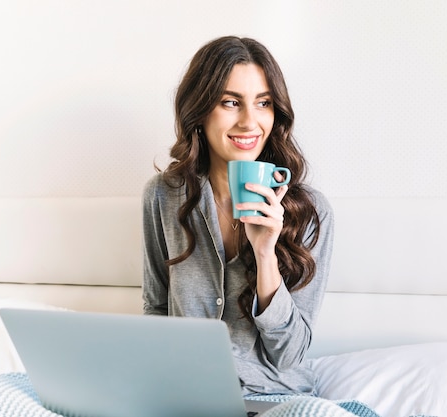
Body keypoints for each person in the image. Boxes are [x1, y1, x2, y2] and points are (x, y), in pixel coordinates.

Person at [142, 36, 335, 397]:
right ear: (198, 111)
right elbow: (156, 308)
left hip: (274, 398)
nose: (249, 122)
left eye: (263, 103)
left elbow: (290, 354)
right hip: (188, 397)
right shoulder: (163, 196)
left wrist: (265, 256)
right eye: (231, 102)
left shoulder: (311, 213)